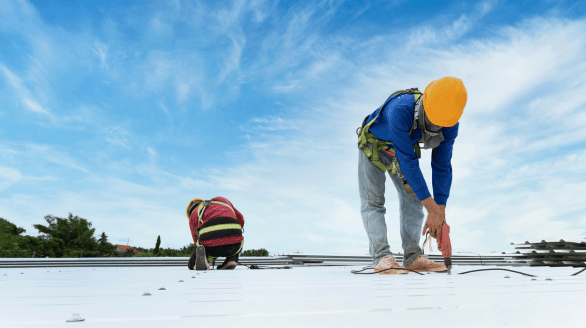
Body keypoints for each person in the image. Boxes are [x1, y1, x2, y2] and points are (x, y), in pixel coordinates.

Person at [357, 77, 467, 274]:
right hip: (373, 144)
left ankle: (413, 257)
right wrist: (432, 209)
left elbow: (442, 165)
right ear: (425, 105)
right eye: (433, 122)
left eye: (441, 124)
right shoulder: (401, 109)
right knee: (373, 202)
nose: (436, 127)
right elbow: (408, 161)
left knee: (414, 200)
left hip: (402, 148)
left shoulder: (450, 123)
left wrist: (439, 212)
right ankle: (382, 258)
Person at [185, 197, 245, 270]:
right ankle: (232, 259)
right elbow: (241, 219)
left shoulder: (193, 215)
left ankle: (202, 261)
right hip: (234, 246)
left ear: (189, 212)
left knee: (192, 264)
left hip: (211, 248)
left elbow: (196, 239)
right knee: (239, 237)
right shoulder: (222, 200)